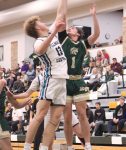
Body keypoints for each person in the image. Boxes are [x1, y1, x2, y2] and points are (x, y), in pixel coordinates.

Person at [23, 0, 68, 149]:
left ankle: (43, 147)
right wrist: (55, 32)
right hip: (51, 79)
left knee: (55, 119)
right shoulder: (38, 41)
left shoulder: (50, 34)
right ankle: (27, 147)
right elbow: (41, 50)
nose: (43, 22)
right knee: (40, 115)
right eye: (39, 22)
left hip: (62, 80)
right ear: (36, 27)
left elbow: (60, 14)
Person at [59, 4, 100, 150]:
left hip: (78, 80)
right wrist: (64, 3)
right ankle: (70, 146)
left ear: (77, 33)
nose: (69, 28)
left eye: (72, 28)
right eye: (69, 28)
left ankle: (88, 145)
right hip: (66, 81)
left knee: (83, 114)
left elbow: (96, 34)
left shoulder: (83, 44)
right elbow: (63, 17)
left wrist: (94, 15)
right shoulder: (64, 39)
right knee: (68, 118)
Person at [11, 74, 85, 150]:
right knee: (48, 141)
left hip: (63, 106)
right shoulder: (40, 78)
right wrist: (13, 96)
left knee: (79, 132)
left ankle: (87, 147)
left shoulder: (61, 71)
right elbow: (27, 93)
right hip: (49, 109)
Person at [0, 79, 31, 150]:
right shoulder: (2, 83)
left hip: (2, 123)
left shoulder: (4, 87)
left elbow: (16, 104)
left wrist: (26, 102)